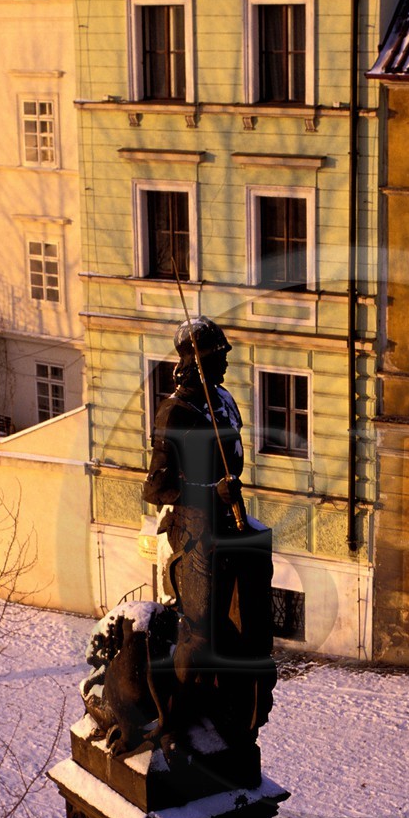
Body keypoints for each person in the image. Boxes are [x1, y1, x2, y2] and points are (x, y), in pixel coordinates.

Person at [143, 316, 275, 742]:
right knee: (201, 633)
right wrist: (208, 491)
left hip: (232, 519)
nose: (225, 364)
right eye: (218, 357)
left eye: (225, 356)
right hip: (197, 531)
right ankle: (173, 716)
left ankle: (231, 701)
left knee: (244, 623)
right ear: (195, 361)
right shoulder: (174, 411)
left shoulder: (224, 400)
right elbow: (158, 487)